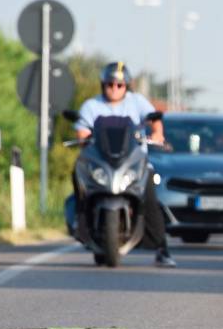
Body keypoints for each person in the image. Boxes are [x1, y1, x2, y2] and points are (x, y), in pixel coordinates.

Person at [74, 61, 176, 268]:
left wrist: (157, 133)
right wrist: (84, 137)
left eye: (119, 85)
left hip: (133, 162)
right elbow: (82, 132)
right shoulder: (91, 105)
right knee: (78, 177)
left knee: (150, 199)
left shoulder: (137, 102)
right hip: (102, 163)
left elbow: (154, 120)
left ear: (127, 86)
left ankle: (162, 249)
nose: (114, 88)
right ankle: (80, 222)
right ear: (103, 84)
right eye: (110, 84)